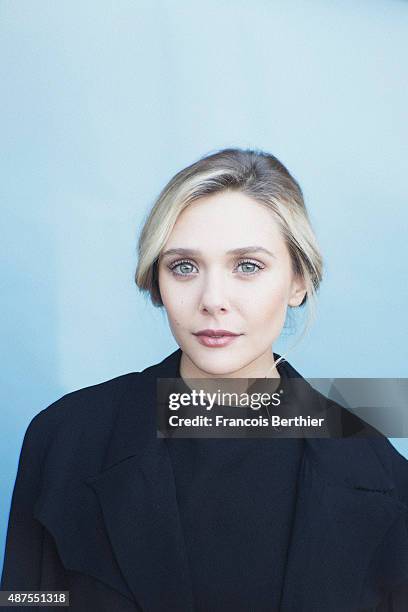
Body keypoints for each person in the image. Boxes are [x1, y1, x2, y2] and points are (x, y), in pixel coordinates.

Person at [1, 148, 408, 611]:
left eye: (248, 266)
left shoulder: (381, 472)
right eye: (184, 267)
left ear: (299, 282)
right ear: (156, 281)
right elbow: (26, 600)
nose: (213, 299)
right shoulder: (64, 437)